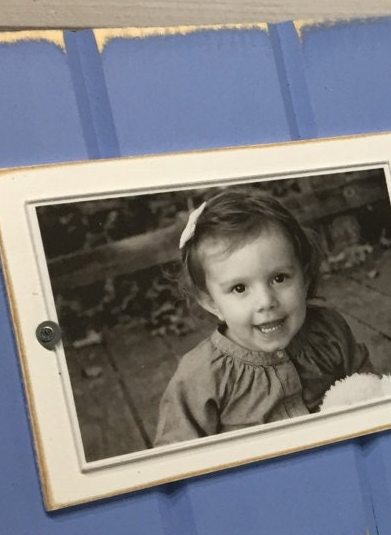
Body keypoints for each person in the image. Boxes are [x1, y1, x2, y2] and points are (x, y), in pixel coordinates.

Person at [154, 186, 371, 444]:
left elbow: (367, 387)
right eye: (239, 288)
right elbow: (174, 457)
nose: (266, 302)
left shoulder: (329, 330)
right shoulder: (199, 377)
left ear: (305, 276)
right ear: (211, 302)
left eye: (279, 278)